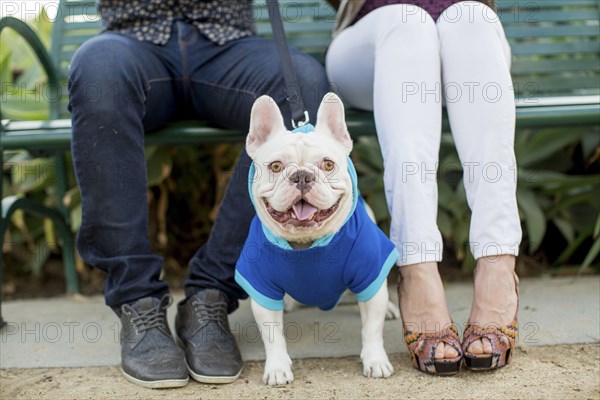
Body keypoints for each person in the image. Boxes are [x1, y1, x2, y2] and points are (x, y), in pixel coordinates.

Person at [68, 0, 329, 388]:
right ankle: (136, 300)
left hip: (227, 44)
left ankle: (212, 296)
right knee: (98, 70)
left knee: (303, 84)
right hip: (133, 38)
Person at [326, 0, 521, 374]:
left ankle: (498, 262)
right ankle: (416, 268)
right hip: (371, 44)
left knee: (470, 16)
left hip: (468, 47)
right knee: (407, 20)